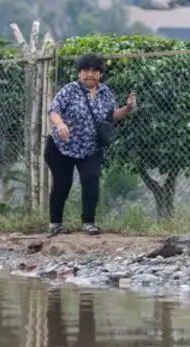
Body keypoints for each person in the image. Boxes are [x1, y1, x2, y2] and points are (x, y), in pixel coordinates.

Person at [45, 53, 136, 236]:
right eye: (85, 70)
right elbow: (54, 110)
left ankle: (88, 222)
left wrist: (127, 108)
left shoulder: (105, 92)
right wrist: (60, 124)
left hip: (90, 147)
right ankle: (55, 223)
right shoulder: (70, 90)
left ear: (100, 73)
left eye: (94, 70)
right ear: (79, 72)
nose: (90, 74)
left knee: (91, 180)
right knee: (62, 183)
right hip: (62, 146)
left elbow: (111, 116)